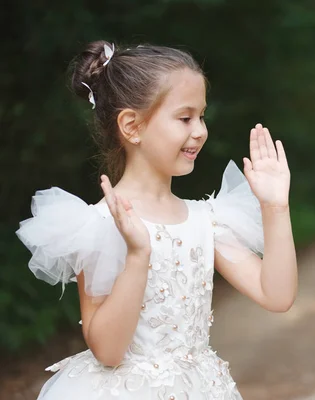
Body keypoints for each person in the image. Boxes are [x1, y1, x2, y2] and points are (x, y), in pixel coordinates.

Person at [16, 40, 298, 400]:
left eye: (202, 116)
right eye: (185, 118)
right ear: (132, 126)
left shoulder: (204, 219)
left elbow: (277, 295)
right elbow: (108, 350)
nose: (200, 131)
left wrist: (275, 208)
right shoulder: (102, 224)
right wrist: (137, 255)